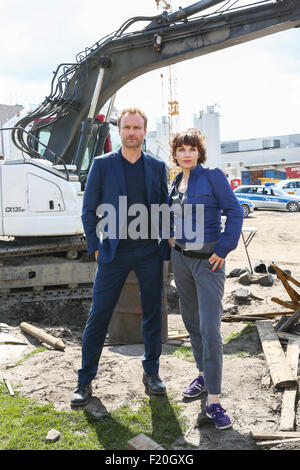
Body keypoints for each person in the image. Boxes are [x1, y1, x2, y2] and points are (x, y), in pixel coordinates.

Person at [71, 108, 169, 406]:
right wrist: (95, 245)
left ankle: (151, 373)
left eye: (137, 127)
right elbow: (89, 209)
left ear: (144, 131)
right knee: (99, 315)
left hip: (149, 251)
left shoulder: (157, 166)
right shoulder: (101, 165)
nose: (131, 132)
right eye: (126, 127)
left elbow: (163, 206)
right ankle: (85, 381)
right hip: (113, 252)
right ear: (119, 130)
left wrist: (164, 244)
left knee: (152, 313)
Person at [168, 129, 243, 430]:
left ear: (199, 152)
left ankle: (213, 401)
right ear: (175, 154)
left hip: (208, 263)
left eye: (192, 148)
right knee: (192, 323)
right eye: (181, 149)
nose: (186, 153)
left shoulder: (212, 176)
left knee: (211, 329)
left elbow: (235, 213)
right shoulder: (175, 183)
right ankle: (202, 375)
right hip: (182, 262)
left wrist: (224, 248)